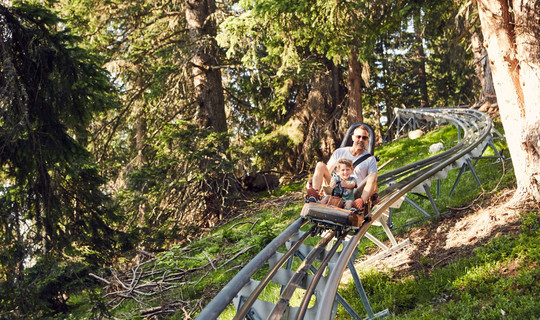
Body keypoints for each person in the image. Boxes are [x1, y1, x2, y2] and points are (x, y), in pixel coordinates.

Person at [305, 125, 378, 211]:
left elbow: (373, 181)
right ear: (353, 137)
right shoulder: (340, 152)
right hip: (336, 187)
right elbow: (327, 171)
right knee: (320, 165)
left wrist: (374, 194)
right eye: (358, 137)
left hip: (354, 191)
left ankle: (360, 203)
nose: (361, 140)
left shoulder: (370, 159)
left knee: (373, 175)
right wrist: (317, 182)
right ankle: (314, 194)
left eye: (364, 138)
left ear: (367, 140)